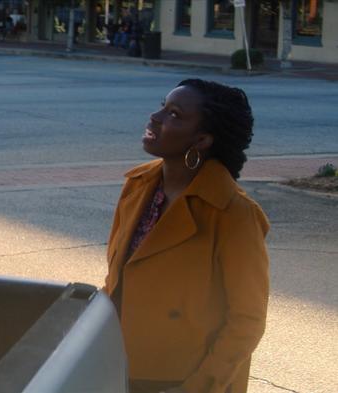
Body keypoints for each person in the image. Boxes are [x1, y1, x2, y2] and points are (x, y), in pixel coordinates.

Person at [103, 79, 269, 393]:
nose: (155, 117)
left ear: (202, 139)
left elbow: (247, 320)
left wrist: (198, 387)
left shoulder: (234, 213)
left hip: (185, 379)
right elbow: (117, 280)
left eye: (175, 115)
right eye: (162, 106)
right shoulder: (137, 186)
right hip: (119, 368)